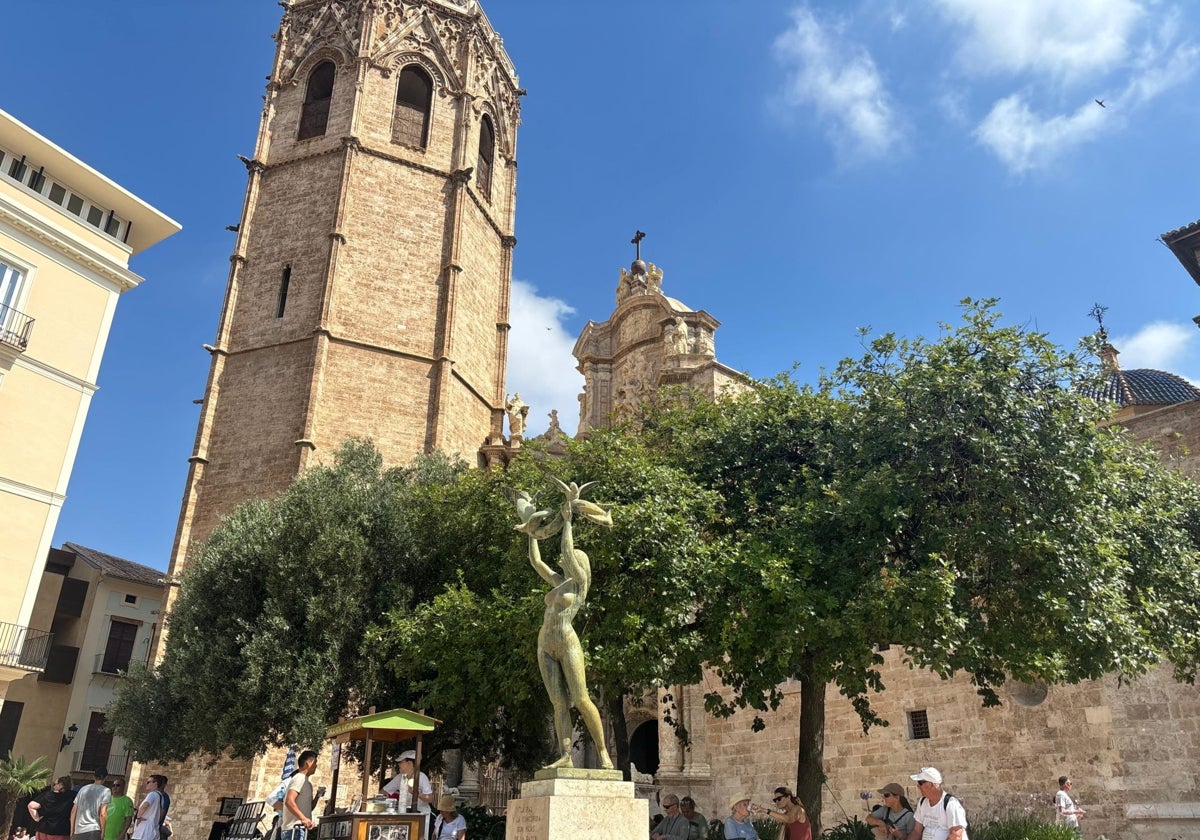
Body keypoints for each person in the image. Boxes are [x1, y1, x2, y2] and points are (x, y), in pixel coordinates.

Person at [513, 479, 614, 769]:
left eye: (571, 560)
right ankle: (566, 756)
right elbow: (538, 564)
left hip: (567, 641)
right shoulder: (559, 584)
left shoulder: (580, 585)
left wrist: (567, 522)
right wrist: (531, 534)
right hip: (545, 642)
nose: (565, 560)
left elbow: (568, 553)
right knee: (558, 703)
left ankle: (603, 752)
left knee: (581, 698)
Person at [906, 768, 968, 840]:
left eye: (920, 783)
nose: (918, 786)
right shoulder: (922, 802)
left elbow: (956, 835)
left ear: (931, 785)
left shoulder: (951, 803)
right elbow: (917, 831)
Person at [280, 751, 318, 840]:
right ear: (308, 763)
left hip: (300, 829)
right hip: (294, 830)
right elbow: (289, 801)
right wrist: (303, 819)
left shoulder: (307, 783)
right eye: (315, 762)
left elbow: (309, 807)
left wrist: (318, 796)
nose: (316, 766)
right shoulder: (299, 778)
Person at [381, 750, 433, 815]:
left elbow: (430, 798)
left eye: (401, 762)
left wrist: (416, 793)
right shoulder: (399, 777)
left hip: (421, 815)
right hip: (405, 813)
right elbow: (383, 792)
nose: (398, 764)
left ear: (409, 763)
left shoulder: (421, 777)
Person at [71, 767, 111, 840]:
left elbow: (73, 811)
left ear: (93, 776)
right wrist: (103, 832)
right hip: (93, 829)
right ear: (106, 777)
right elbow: (103, 813)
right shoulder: (106, 791)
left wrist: (72, 830)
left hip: (78, 830)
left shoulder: (83, 789)